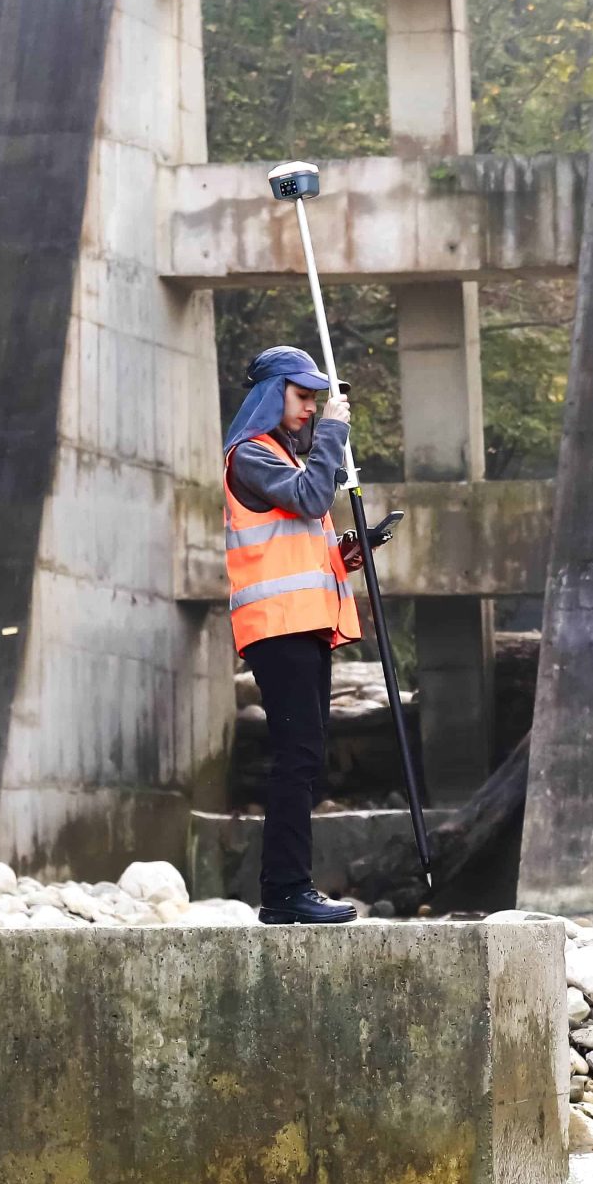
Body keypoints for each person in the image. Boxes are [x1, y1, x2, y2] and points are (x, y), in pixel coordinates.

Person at [224, 345, 370, 925]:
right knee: (296, 756)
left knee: (305, 757)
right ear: (271, 394)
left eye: (317, 400)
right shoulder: (251, 457)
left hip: (304, 626)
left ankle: (290, 890)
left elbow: (297, 538)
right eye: (302, 396)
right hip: (276, 629)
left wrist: (342, 555)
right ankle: (285, 893)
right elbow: (311, 497)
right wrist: (336, 432)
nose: (312, 408)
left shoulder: (282, 459)